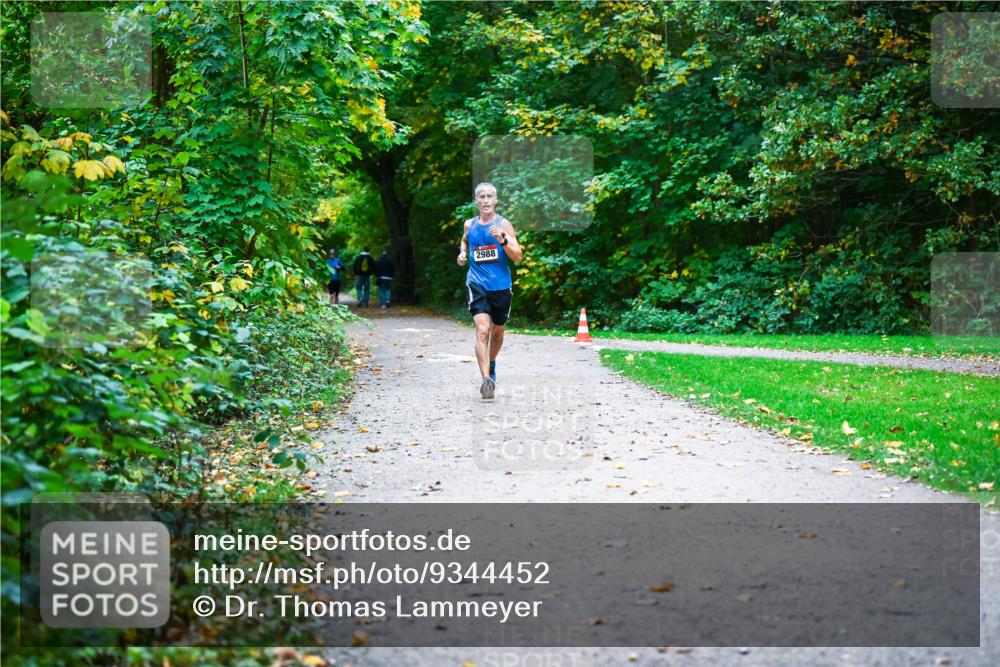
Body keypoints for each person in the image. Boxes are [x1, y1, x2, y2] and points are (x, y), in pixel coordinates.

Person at [457, 183, 522, 399]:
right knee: (483, 330)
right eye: (481, 197)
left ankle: (491, 363)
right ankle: (486, 380)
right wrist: (463, 253)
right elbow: (465, 240)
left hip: (501, 286)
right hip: (476, 283)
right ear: (476, 201)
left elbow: (517, 256)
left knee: (498, 330)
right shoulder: (470, 225)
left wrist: (502, 240)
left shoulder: (504, 224)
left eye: (489, 197)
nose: (485, 200)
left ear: (495, 200)